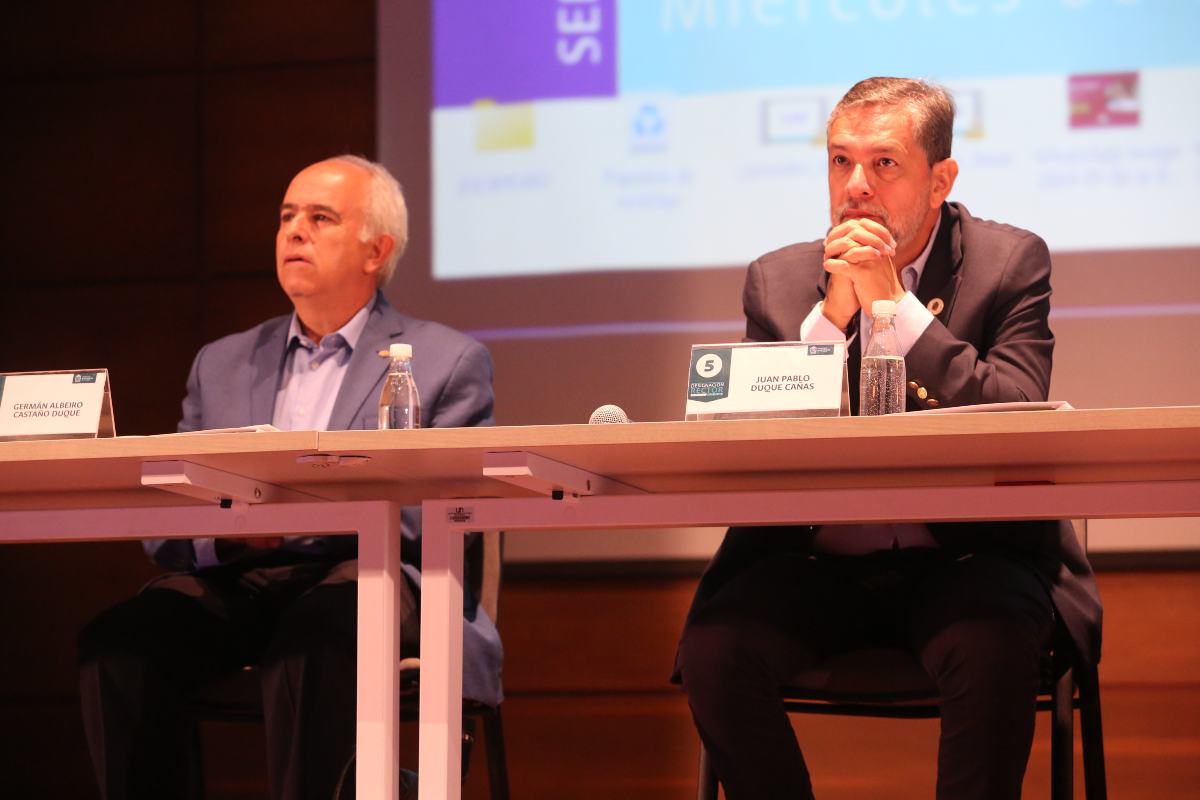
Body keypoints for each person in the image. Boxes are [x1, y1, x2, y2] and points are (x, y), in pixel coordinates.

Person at [675, 78, 1102, 800]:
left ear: (940, 181)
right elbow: (751, 442)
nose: (855, 186)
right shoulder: (778, 281)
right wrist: (828, 323)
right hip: (816, 564)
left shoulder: (1008, 262)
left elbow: (1017, 413)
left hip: (973, 559)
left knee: (991, 641)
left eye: (884, 164)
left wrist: (895, 308)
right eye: (841, 162)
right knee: (715, 648)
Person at [77, 156, 501, 800]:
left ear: (376, 251)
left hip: (374, 577)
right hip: (238, 578)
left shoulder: (445, 360)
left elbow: (437, 517)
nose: (294, 231)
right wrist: (229, 539)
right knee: (120, 645)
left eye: (320, 217)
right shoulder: (221, 363)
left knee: (316, 636)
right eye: (286, 217)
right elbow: (166, 522)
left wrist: (297, 522)